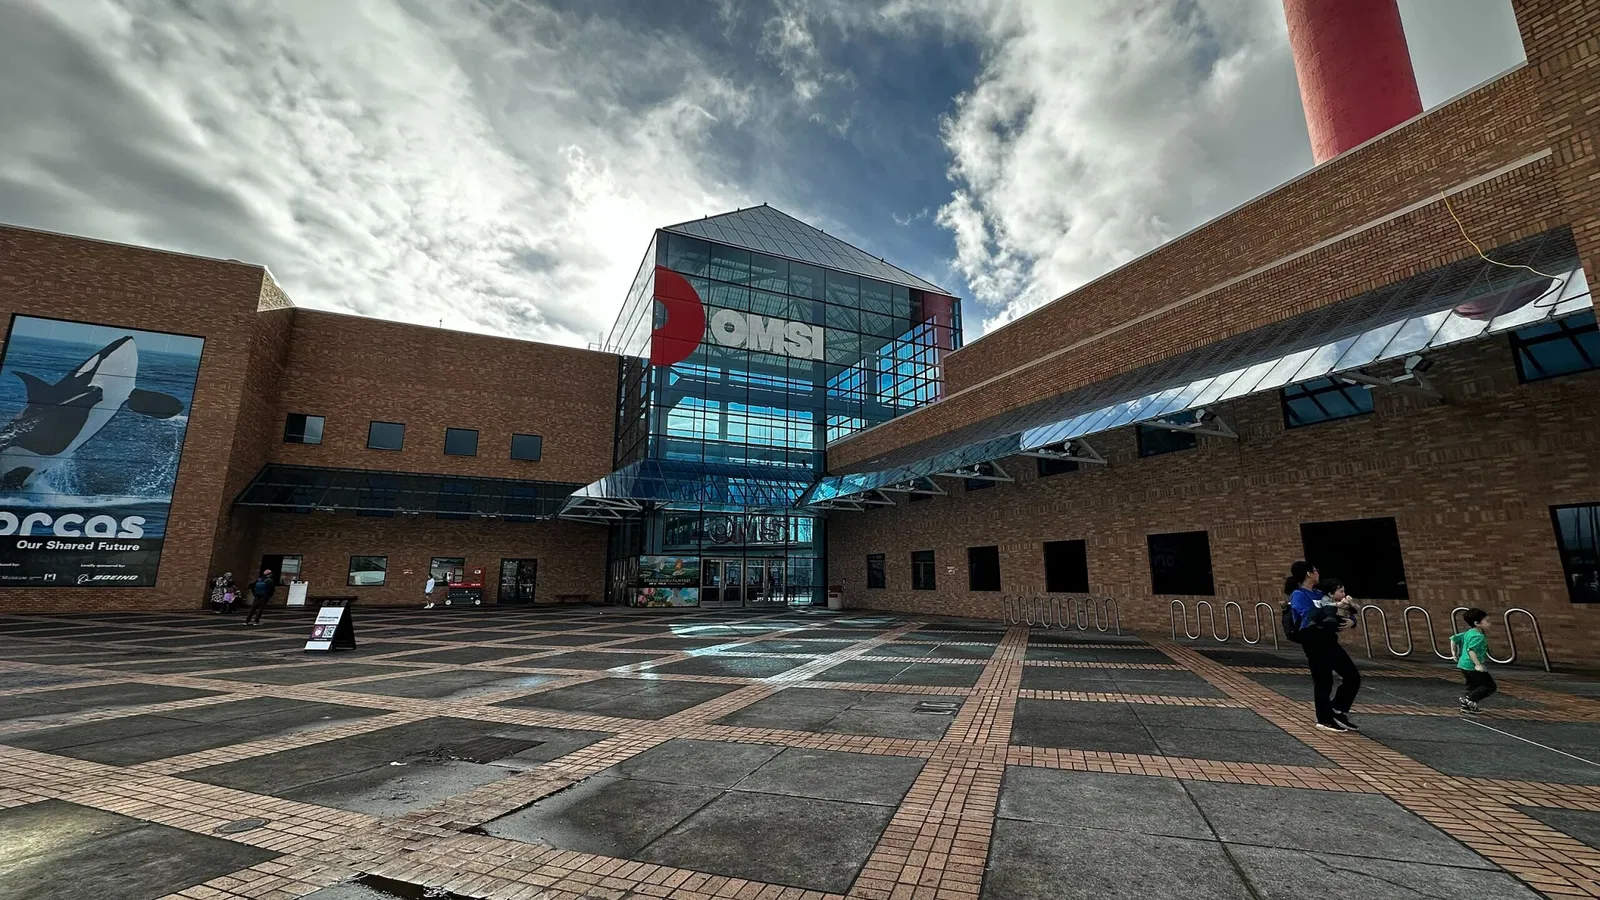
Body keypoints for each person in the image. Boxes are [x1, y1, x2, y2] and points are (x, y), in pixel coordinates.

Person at [1285, 561, 1362, 732]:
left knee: (1352, 676)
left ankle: (1336, 709)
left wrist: (1352, 621)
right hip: (1313, 641)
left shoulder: (1320, 593)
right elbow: (1308, 616)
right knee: (1323, 682)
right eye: (1315, 570)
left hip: (1329, 640)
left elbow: (1343, 609)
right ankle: (1324, 718)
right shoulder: (1299, 595)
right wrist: (1330, 609)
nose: (1318, 573)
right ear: (1308, 574)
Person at [1451, 607, 1497, 712]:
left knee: (1473, 686)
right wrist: (1478, 664)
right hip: (1472, 665)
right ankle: (1469, 699)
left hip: (1463, 664)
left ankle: (1467, 706)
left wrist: (1454, 653)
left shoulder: (1469, 632)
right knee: (1489, 686)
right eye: (1487, 621)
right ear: (1477, 623)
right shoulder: (1478, 636)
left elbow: (1453, 639)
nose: (1489, 624)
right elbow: (1471, 650)